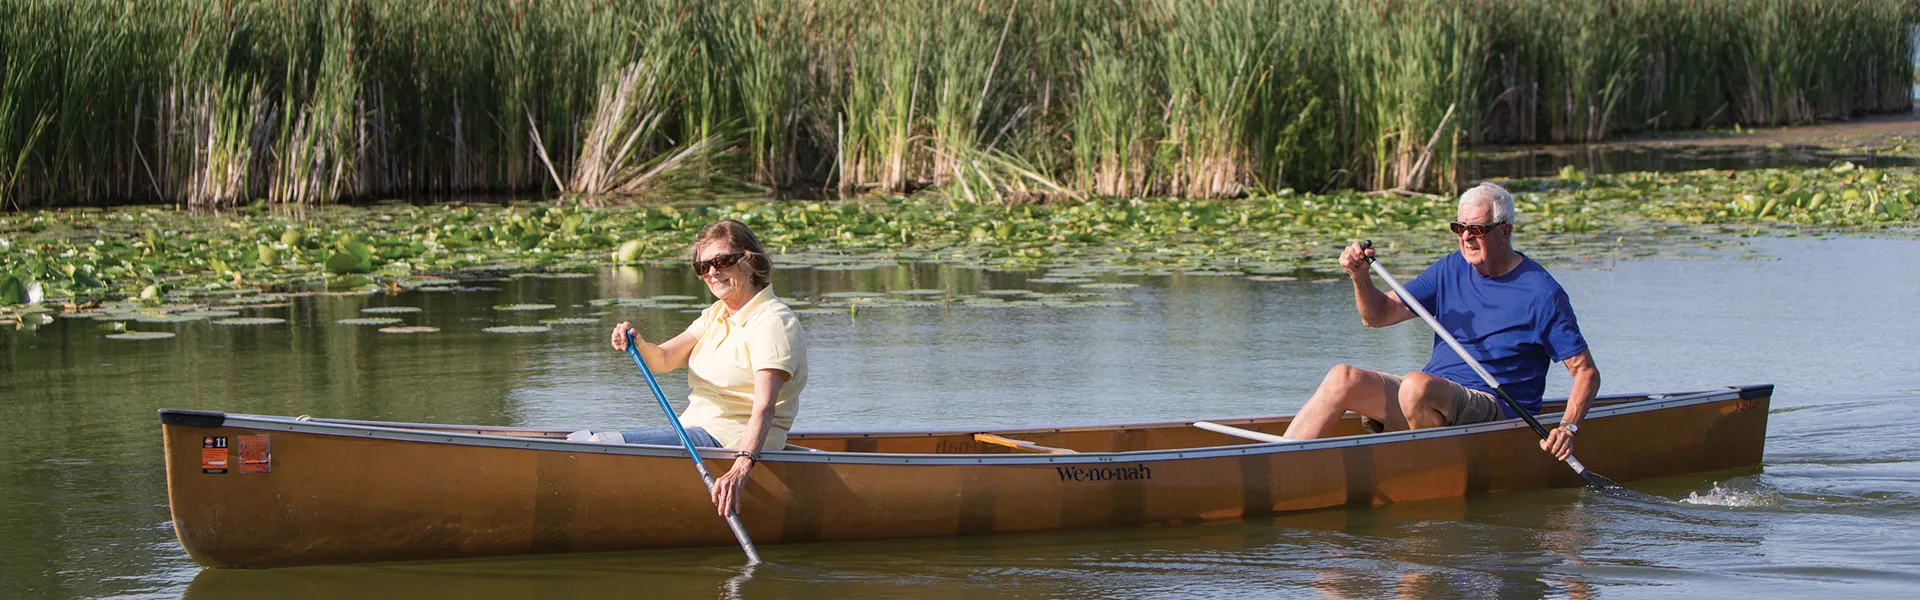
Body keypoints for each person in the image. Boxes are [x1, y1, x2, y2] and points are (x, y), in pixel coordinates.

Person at [1280, 182, 1599, 461]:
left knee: (1416, 386)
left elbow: (1585, 372)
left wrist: (1568, 427)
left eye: (1477, 229)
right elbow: (1377, 316)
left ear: (1505, 231)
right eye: (1459, 228)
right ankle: (1279, 465)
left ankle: (1421, 476)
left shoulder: (1541, 292)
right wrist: (1360, 278)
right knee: (1342, 378)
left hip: (1497, 409)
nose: (1467, 238)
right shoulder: (1449, 269)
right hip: (1426, 400)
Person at [576, 219, 807, 516]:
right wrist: (638, 343)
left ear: (750, 260)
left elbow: (765, 406)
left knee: (597, 446)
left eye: (722, 261)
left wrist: (741, 466)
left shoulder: (773, 321)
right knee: (580, 440)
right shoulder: (715, 315)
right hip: (692, 434)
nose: (712, 272)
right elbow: (663, 359)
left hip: (731, 445)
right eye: (703, 266)